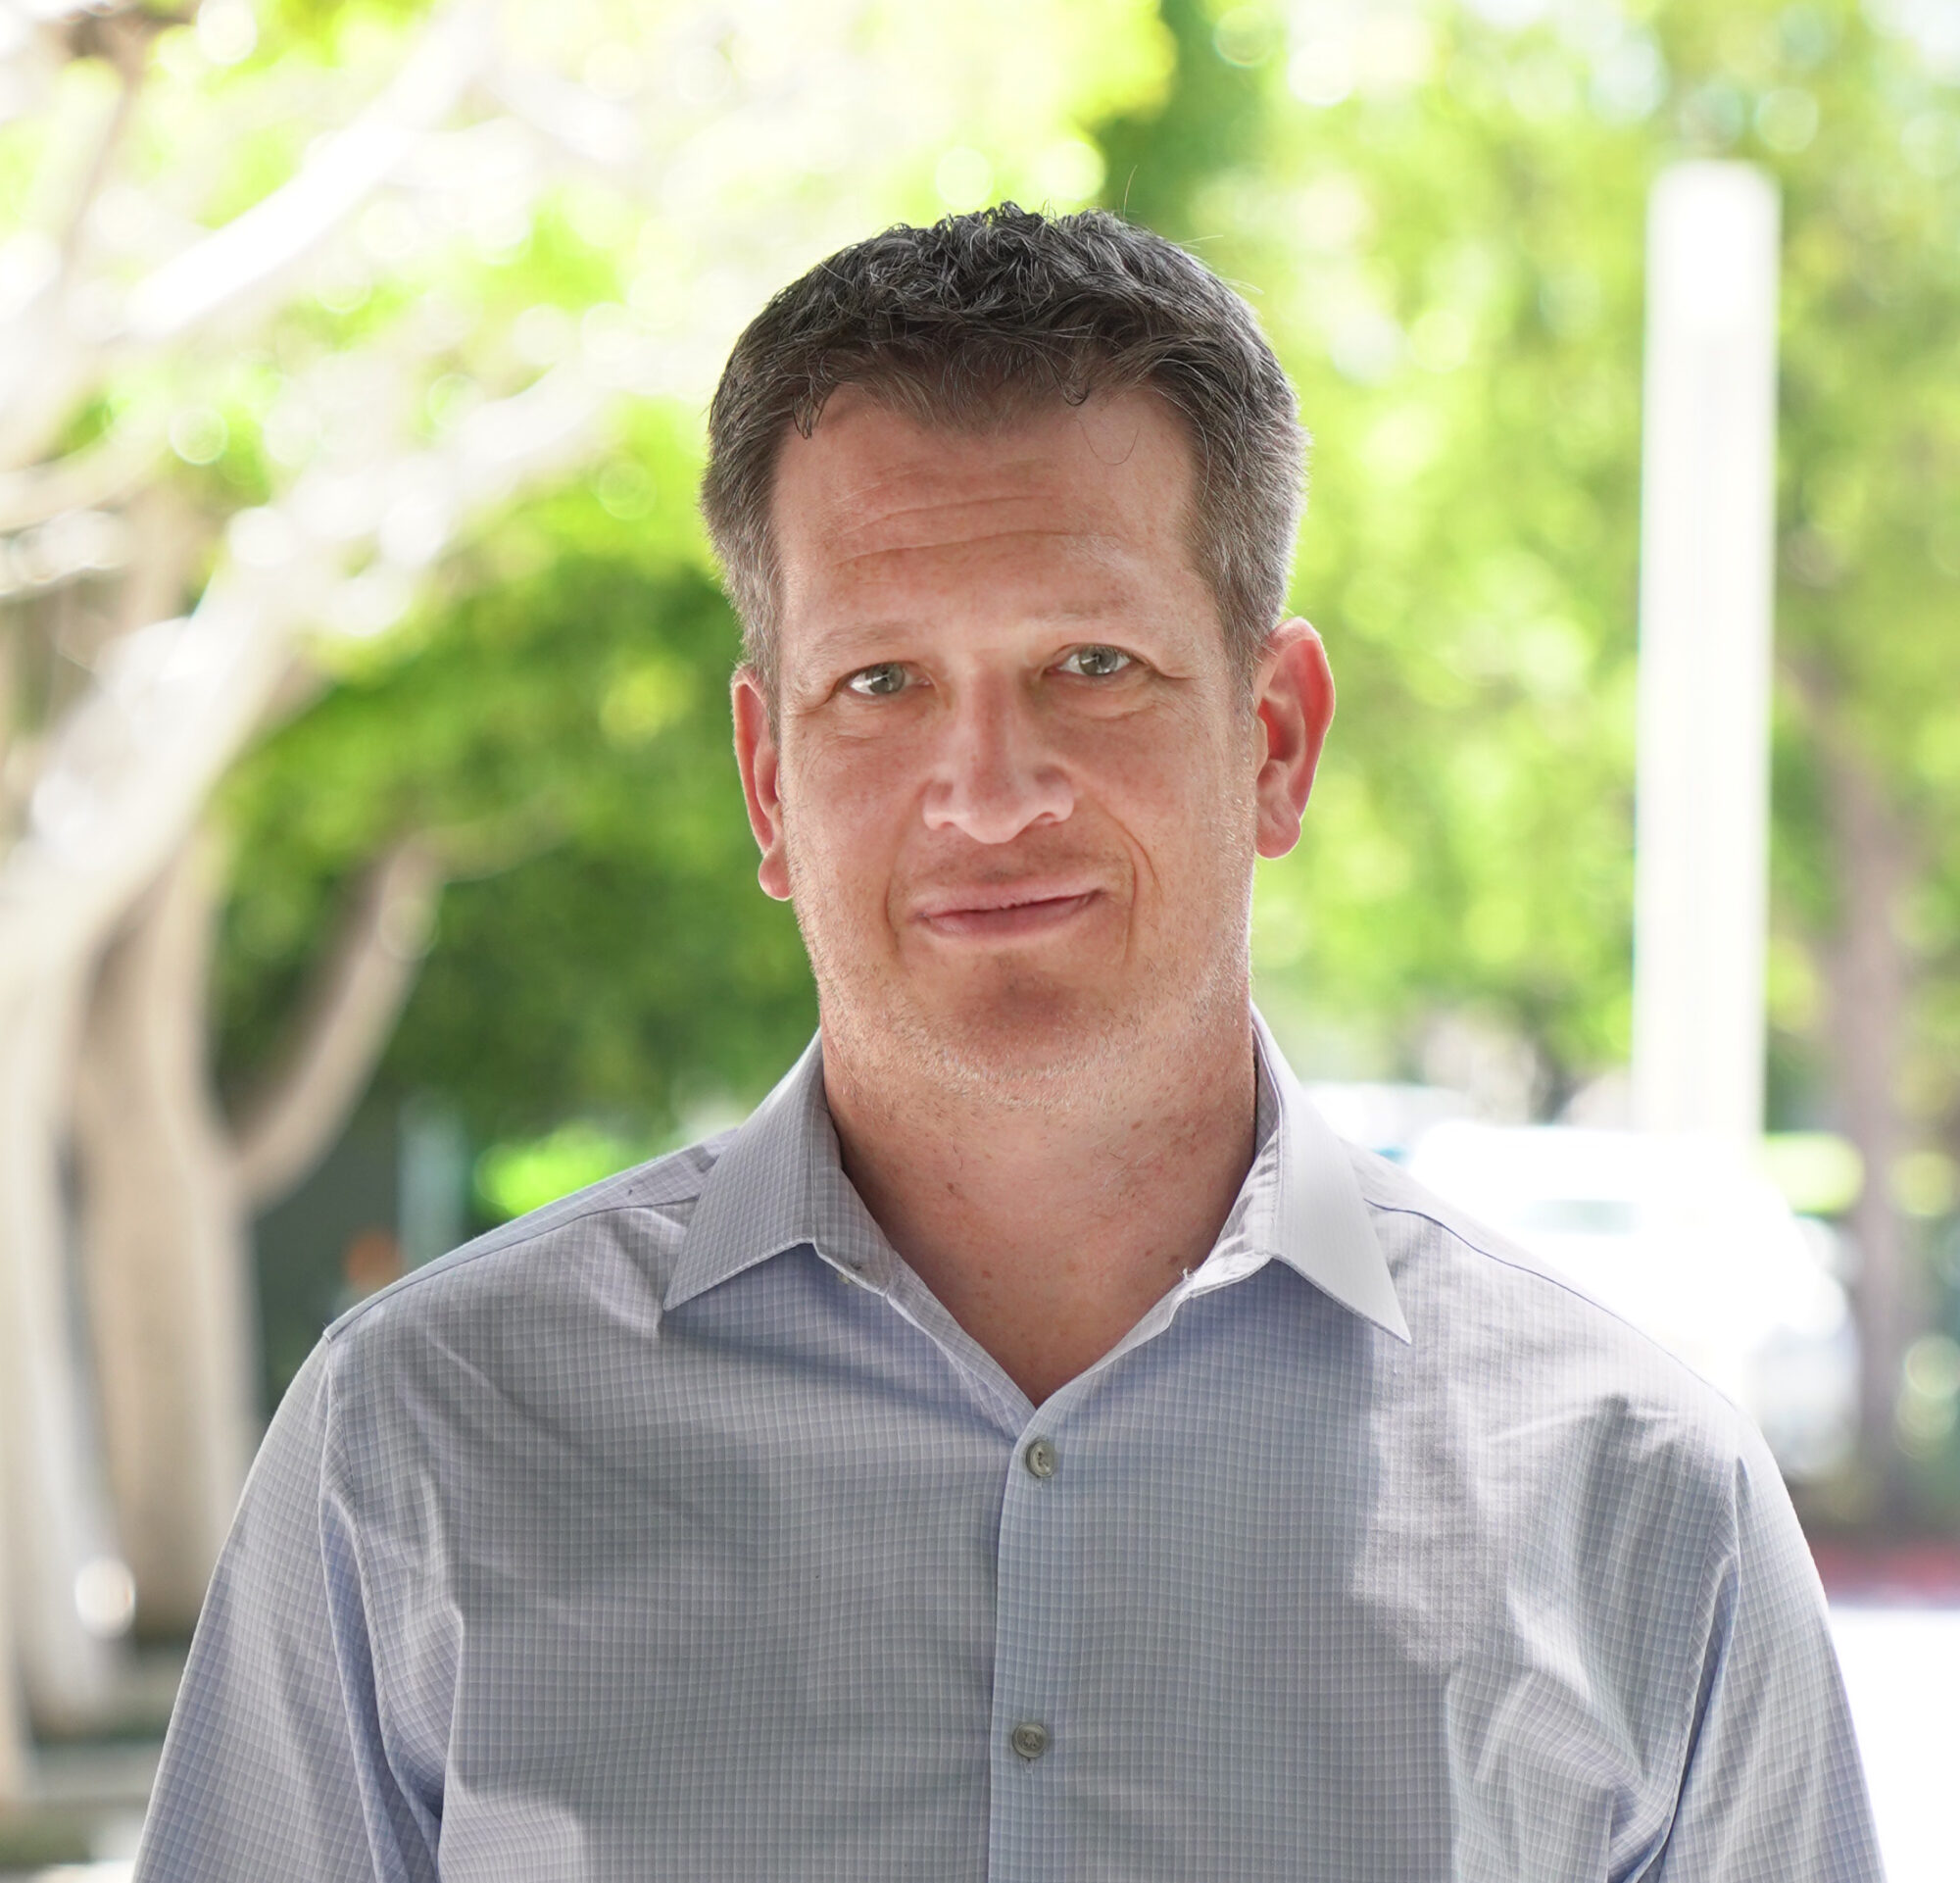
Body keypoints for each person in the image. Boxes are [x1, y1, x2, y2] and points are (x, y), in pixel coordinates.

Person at [135, 206, 1882, 1881]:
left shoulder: (1640, 1504)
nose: (988, 793)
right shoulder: (422, 1447)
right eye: (880, 684)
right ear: (767, 779)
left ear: (1274, 736)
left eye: (1092, 662)